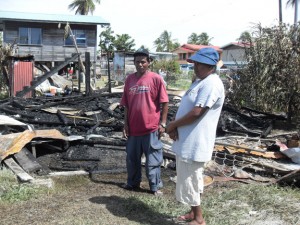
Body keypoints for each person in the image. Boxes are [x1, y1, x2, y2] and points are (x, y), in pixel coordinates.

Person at [166, 47, 225, 225]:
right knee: (189, 177)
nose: (195, 67)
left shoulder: (212, 83)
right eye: (195, 63)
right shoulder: (200, 81)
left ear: (210, 65)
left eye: (199, 64)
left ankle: (199, 219)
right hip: (186, 139)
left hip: (196, 142)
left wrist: (173, 125)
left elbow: (196, 112)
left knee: (190, 179)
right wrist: (175, 127)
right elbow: (188, 107)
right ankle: (193, 213)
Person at [120, 48, 169, 196]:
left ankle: (154, 187)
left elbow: (165, 102)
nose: (140, 64)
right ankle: (132, 183)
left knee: (153, 160)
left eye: (143, 62)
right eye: (137, 62)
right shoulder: (129, 80)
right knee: (132, 159)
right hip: (134, 129)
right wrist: (126, 124)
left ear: (149, 62)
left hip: (151, 129)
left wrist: (163, 123)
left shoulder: (156, 79)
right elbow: (126, 104)